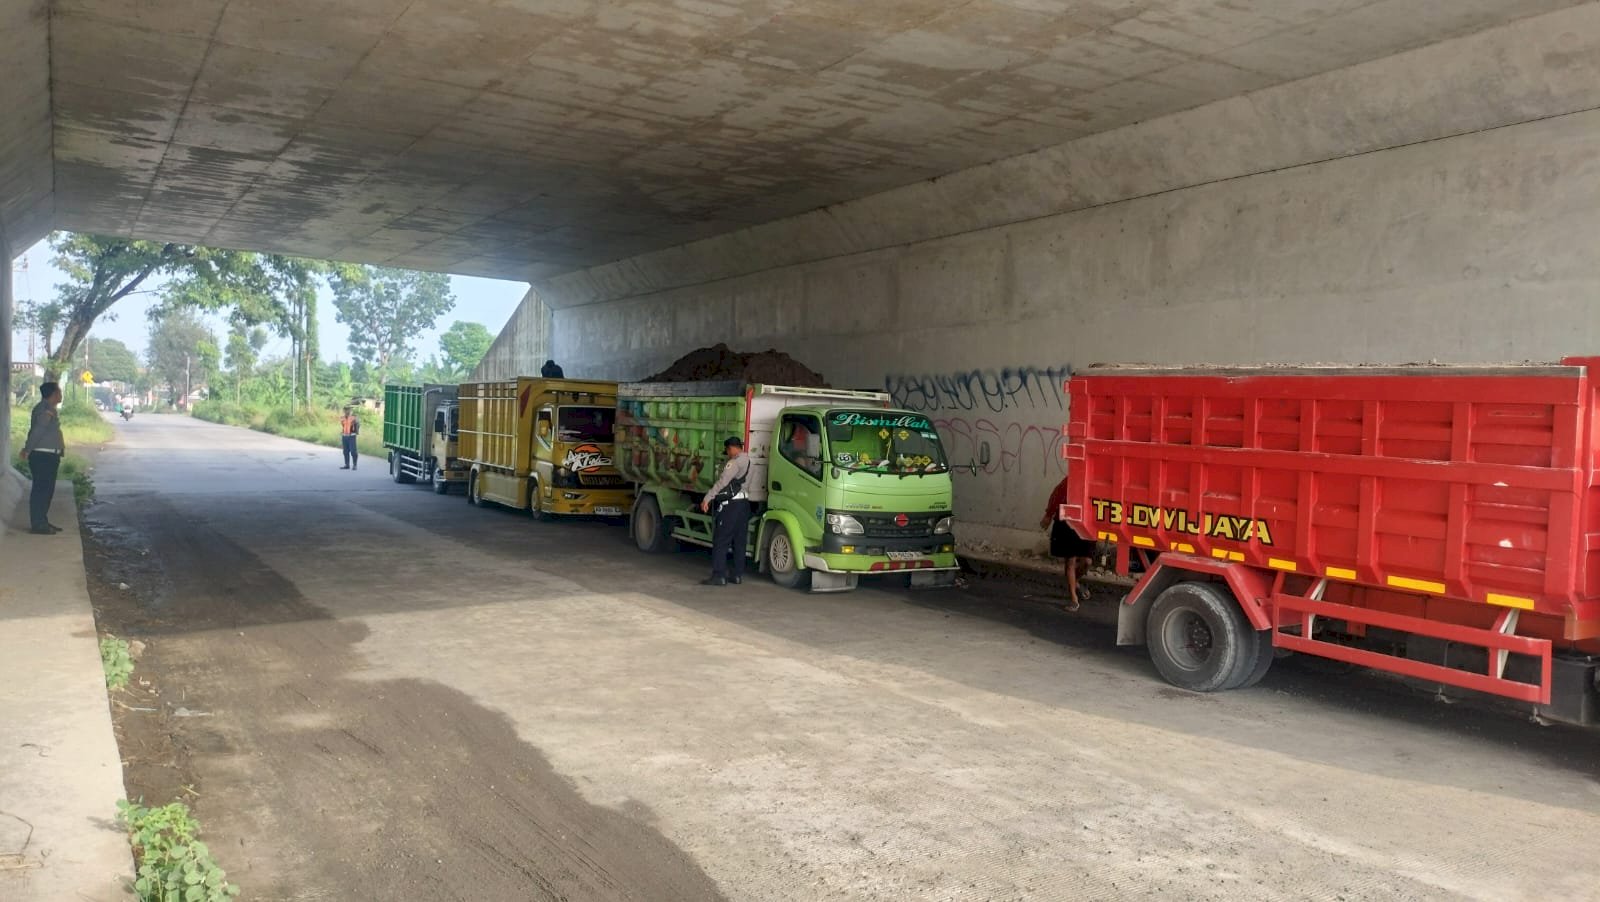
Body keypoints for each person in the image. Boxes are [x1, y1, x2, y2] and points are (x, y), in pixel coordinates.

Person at [699, 436, 752, 586]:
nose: (728, 454)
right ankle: (737, 575)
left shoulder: (734, 462)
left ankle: (719, 575)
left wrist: (707, 498)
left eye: (728, 450)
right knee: (739, 541)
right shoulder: (749, 462)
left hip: (731, 506)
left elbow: (722, 482)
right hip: (744, 504)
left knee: (721, 540)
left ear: (731, 448)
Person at [1041, 473, 1096, 611]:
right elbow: (1057, 495)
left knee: (1087, 561)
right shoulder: (1070, 480)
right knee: (1070, 561)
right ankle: (1073, 599)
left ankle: (1075, 583)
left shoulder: (1096, 482)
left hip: (1087, 524)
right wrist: (1048, 515)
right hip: (1067, 522)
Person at [20, 382, 65, 535]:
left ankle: (42, 521)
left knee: (47, 490)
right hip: (43, 456)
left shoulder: (48, 408)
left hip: (48, 455)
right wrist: (27, 449)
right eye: (59, 392)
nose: (61, 395)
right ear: (53, 394)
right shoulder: (44, 409)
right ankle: (38, 524)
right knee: (41, 490)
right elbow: (38, 430)